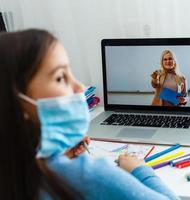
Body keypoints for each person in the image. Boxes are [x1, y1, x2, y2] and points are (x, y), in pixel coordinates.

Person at [0, 29, 179, 200]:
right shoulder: (90, 175)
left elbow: (180, 99)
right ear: (17, 102)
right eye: (61, 77)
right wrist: (140, 170)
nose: (81, 87)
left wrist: (63, 157)